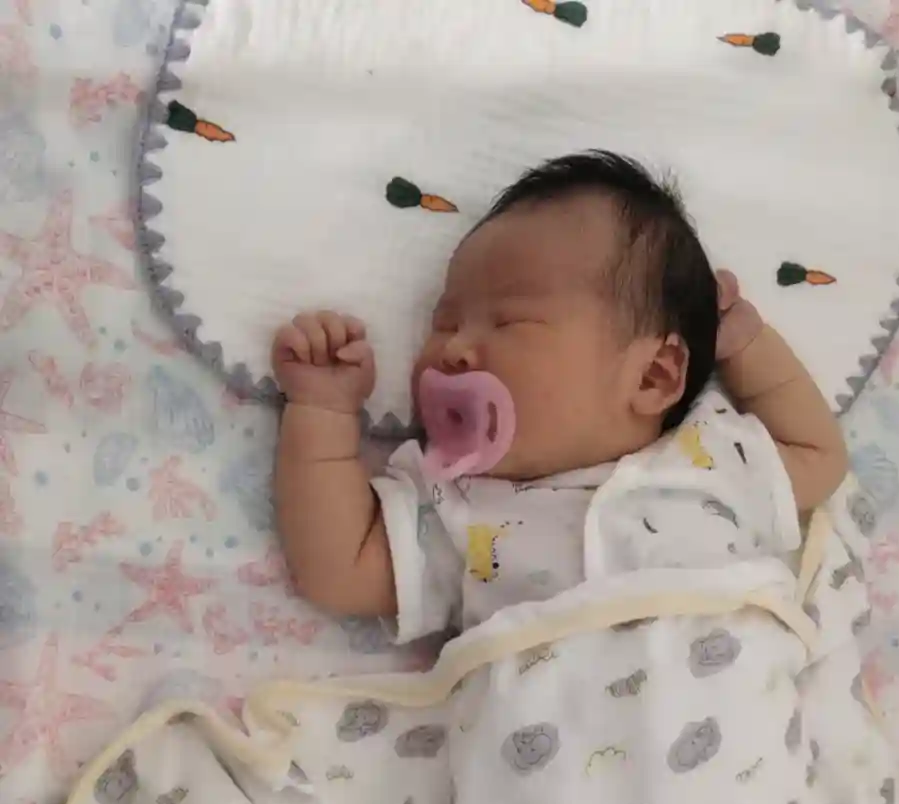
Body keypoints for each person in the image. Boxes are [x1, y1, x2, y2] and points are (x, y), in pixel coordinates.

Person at [270, 150, 847, 636]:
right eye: (444, 323)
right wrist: (323, 410)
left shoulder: (707, 459)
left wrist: (747, 346)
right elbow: (339, 570)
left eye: (509, 322)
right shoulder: (459, 506)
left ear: (652, 377)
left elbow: (819, 456)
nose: (455, 349)